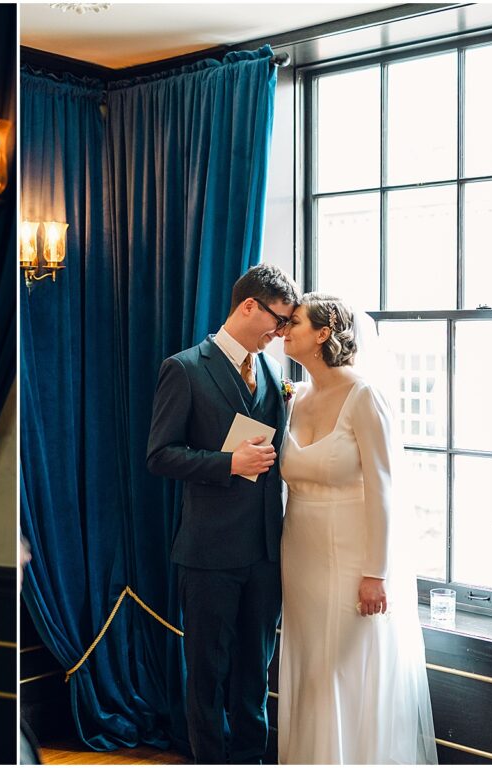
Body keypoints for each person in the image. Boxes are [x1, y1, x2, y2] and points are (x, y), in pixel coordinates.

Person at [146, 264, 301, 764]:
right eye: (277, 321)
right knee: (207, 673)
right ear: (248, 306)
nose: (280, 334)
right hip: (208, 551)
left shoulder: (275, 375)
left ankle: (252, 759)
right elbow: (160, 454)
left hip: (265, 551)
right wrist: (228, 463)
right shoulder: (185, 368)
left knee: (255, 671)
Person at [278, 293, 436, 764]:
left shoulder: (365, 395)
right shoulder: (297, 397)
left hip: (351, 558)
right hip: (299, 554)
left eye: (295, 322)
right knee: (309, 670)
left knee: (339, 671)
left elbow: (385, 489)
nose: (285, 329)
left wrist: (376, 572)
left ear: (323, 334)